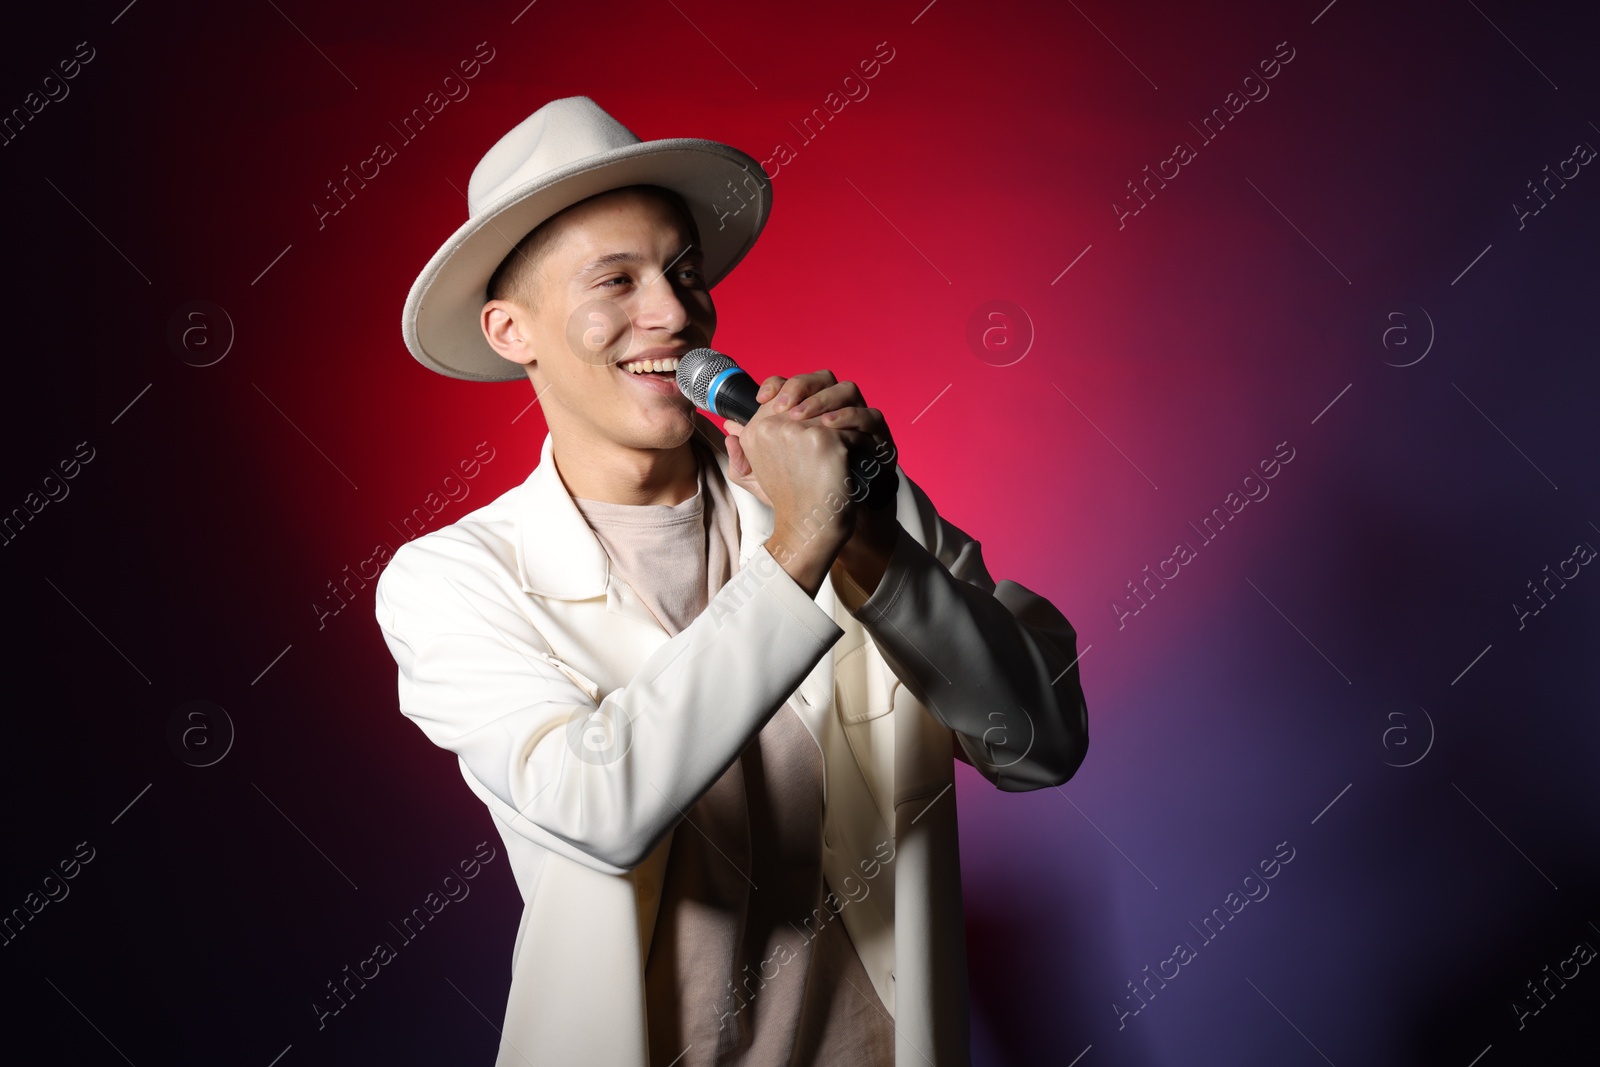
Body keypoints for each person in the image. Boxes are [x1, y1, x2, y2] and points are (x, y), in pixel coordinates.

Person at [375, 95, 1089, 1066]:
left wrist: (871, 549)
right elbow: (600, 805)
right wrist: (800, 544)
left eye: (682, 272)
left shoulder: (851, 500)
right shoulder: (451, 580)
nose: (672, 313)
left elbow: (1037, 743)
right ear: (511, 331)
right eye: (615, 281)